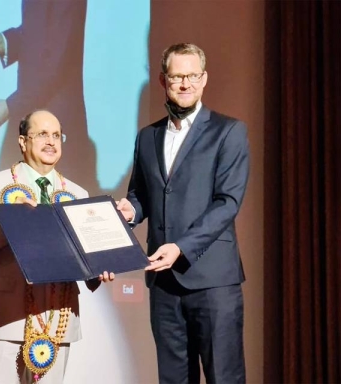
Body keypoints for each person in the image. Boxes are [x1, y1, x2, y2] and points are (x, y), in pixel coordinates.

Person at [117, 43, 250, 384]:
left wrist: (182, 247)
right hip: (163, 283)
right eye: (177, 76)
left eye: (192, 75)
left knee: (225, 377)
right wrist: (130, 211)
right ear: (163, 80)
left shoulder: (229, 131)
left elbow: (227, 202)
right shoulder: (147, 137)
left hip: (214, 282)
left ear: (204, 79)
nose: (185, 83)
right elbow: (141, 194)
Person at [0, 110, 114, 383]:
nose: (51, 142)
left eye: (57, 135)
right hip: (4, 318)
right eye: (42, 134)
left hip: (57, 320)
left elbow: (86, 260)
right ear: (22, 141)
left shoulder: (78, 194)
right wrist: (11, 223)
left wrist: (100, 269)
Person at [0, 0, 98, 191]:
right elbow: (40, 30)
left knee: (54, 210)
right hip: (36, 118)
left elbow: (56, 56)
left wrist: (12, 105)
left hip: (54, 121)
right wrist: (6, 41)